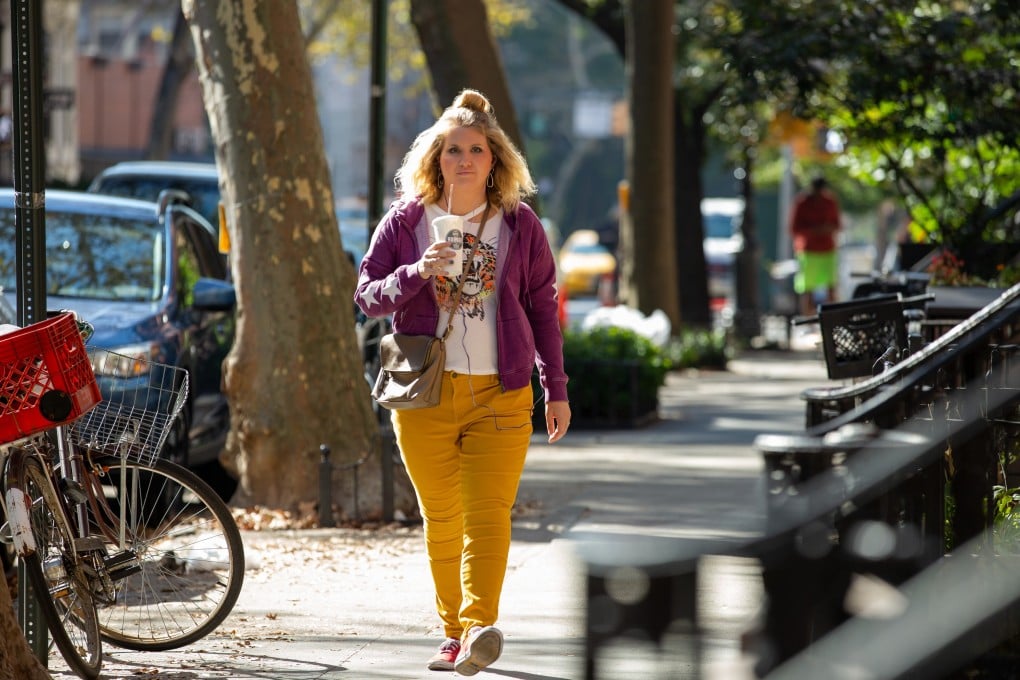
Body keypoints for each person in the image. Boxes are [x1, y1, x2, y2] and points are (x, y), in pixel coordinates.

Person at [354, 89, 571, 675]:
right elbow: (367, 296)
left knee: (489, 515)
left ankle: (479, 627)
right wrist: (415, 272)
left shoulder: (520, 225)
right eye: (454, 150)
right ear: (436, 159)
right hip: (424, 394)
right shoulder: (406, 221)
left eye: (478, 149)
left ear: (495, 160)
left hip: (502, 392)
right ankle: (451, 632)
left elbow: (543, 306)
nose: (466, 160)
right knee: (443, 518)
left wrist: (555, 387)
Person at [790, 176, 842, 315]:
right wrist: (814, 230)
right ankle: (808, 321)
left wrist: (826, 229)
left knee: (831, 288)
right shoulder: (802, 202)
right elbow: (794, 228)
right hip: (808, 251)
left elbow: (837, 225)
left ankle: (833, 319)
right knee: (807, 289)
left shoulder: (830, 202)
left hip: (827, 250)